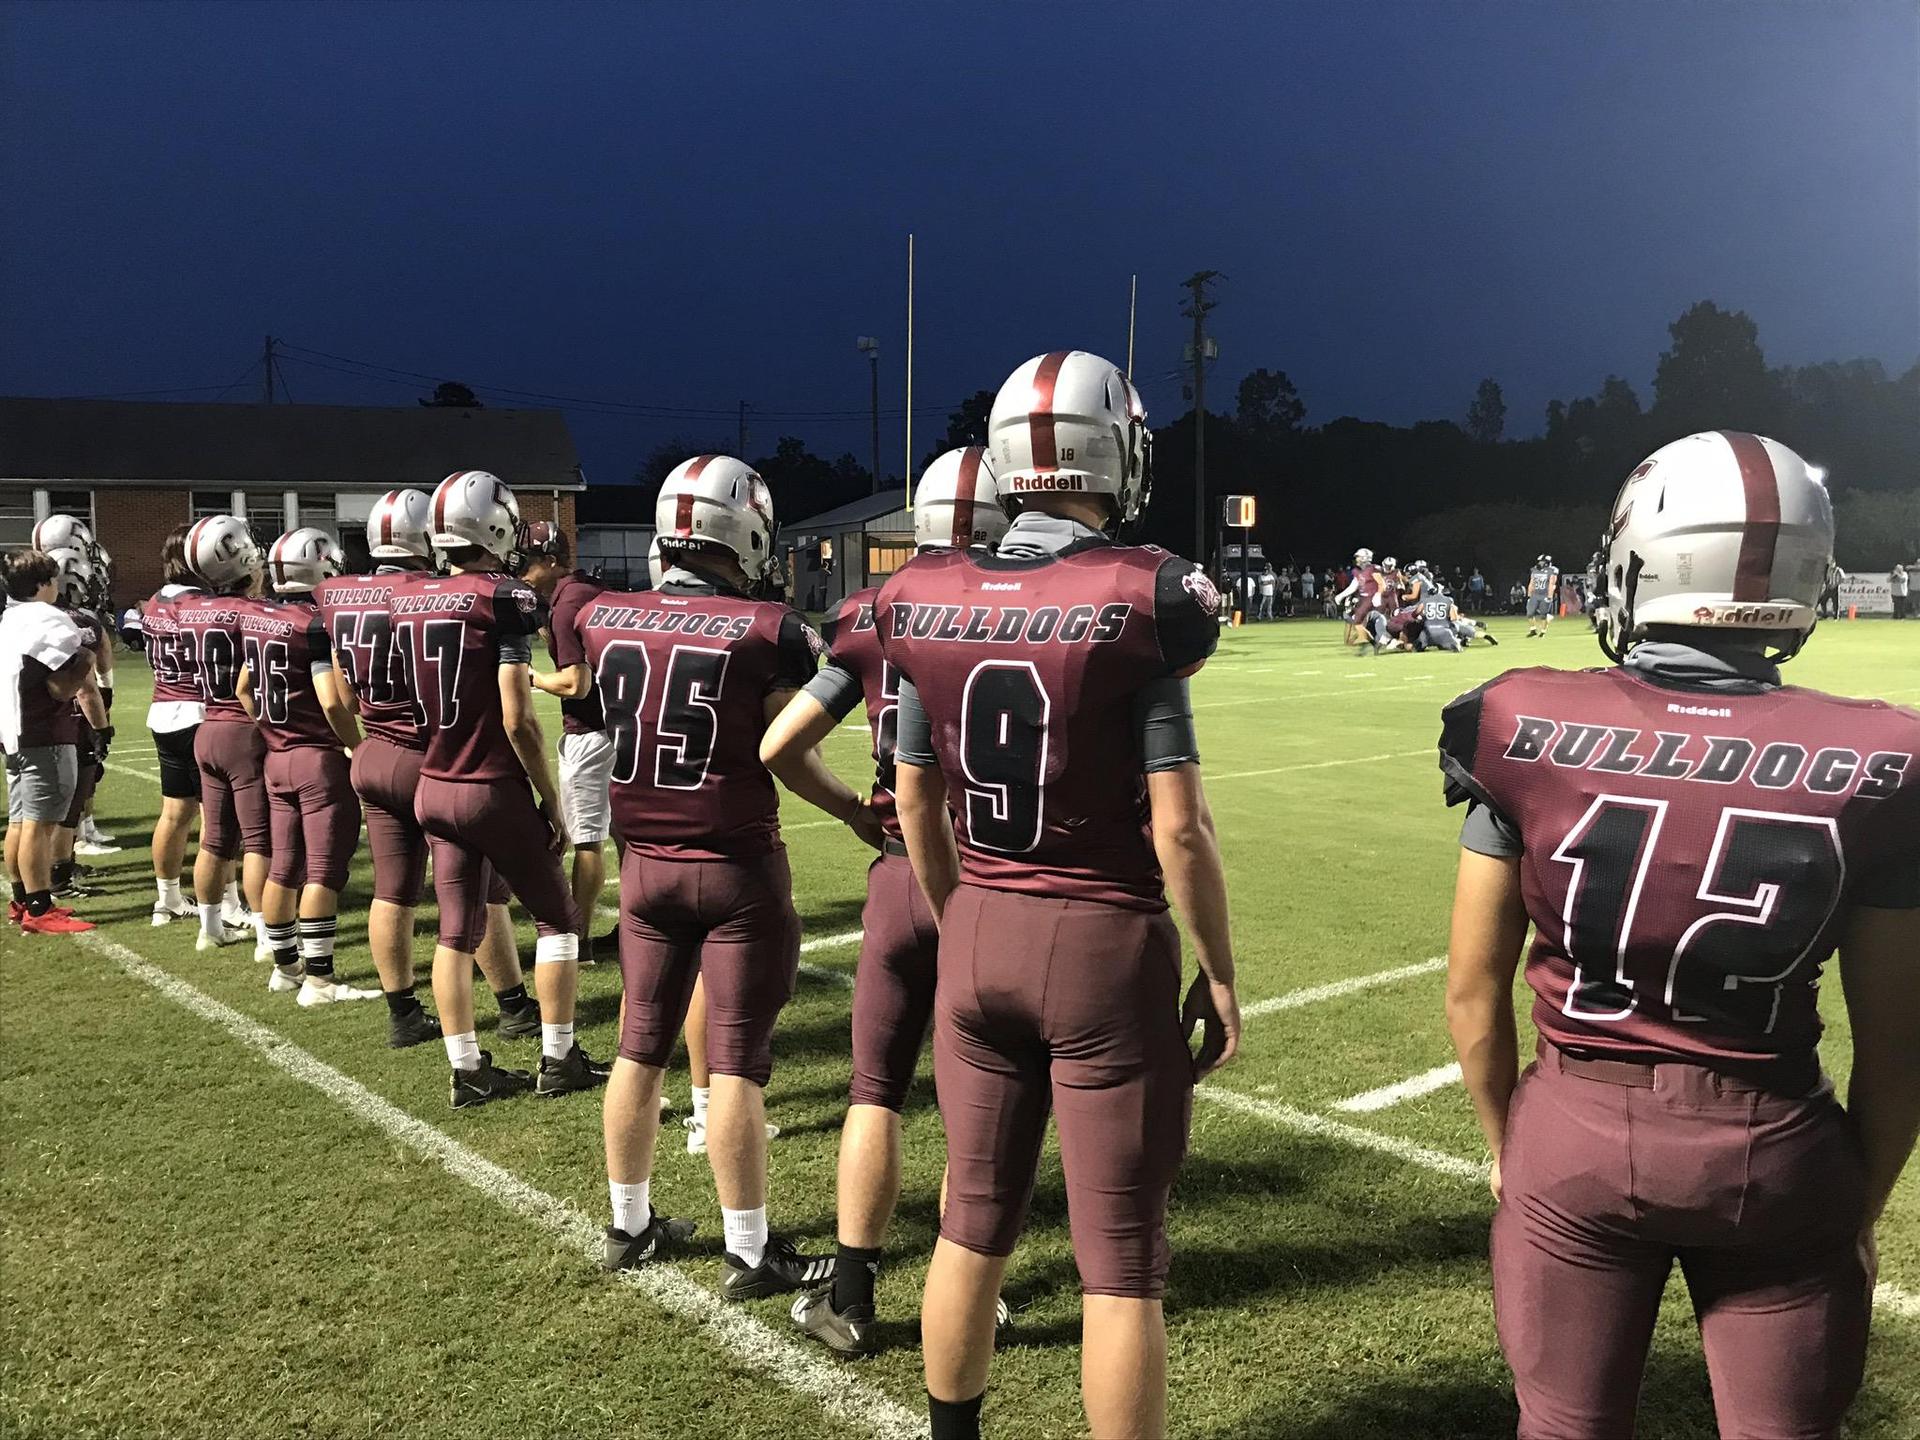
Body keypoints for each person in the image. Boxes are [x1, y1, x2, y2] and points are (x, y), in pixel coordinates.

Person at [1441, 430, 1920, 1440]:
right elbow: (1897, 1046)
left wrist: (1504, 1143)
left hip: (1574, 1134)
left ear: (1643, 562)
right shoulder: (1885, 756)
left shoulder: (1517, 718)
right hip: (1774, 1151)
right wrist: (1854, 1204)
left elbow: (1472, 995)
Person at [880, 351, 1240, 1440]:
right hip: (1101, 942)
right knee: (1120, 1263)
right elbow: (1177, 825)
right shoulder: (1144, 595)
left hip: (979, 920)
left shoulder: (920, 595)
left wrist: (961, 918)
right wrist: (1219, 971)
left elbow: (912, 800)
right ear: (1111, 452)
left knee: (973, 1221)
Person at [580, 453, 852, 1296]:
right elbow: (787, 750)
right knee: (734, 1064)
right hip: (734, 869)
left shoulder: (602, 617)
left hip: (645, 870)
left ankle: (629, 1225)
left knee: (638, 1045)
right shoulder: (768, 628)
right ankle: (747, 1249)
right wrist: (851, 808)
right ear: (748, 531)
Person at [763, 446, 1009, 1355]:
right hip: (992, 885)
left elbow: (781, 747)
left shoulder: (876, 612)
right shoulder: (1048, 605)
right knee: (976, 1106)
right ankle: (968, 1292)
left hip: (901, 876)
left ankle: (852, 1296)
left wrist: (854, 816)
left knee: (875, 1090)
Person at [396, 470, 604, 1108]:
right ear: (495, 525)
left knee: (453, 932)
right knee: (559, 919)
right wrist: (549, 797)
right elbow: (518, 718)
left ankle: (467, 1069)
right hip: (489, 786)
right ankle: (559, 1054)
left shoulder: (412, 597)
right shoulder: (505, 598)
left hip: (433, 782)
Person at [315, 489, 543, 1051]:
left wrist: (354, 745)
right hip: (435, 755)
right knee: (480, 891)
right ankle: (513, 1005)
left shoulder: (335, 593)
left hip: (374, 752)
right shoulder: (431, 593)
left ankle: (403, 1012)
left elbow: (336, 695)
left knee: (392, 890)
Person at [236, 528, 379, 1006]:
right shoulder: (314, 624)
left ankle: (285, 968)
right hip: (316, 760)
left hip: (276, 757)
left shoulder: (257, 616)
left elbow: (243, 689)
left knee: (285, 866)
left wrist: (275, 729)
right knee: (322, 871)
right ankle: (319, 980)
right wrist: (357, 747)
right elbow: (334, 703)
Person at [176, 516, 274, 956]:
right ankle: (269, 936)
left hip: (207, 726)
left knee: (214, 839)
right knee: (258, 841)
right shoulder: (255, 613)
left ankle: (209, 927)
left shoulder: (191, 610)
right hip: (243, 729)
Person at [521, 523, 617, 966]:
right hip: (624, 728)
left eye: (528, 563)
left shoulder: (565, 606)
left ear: (552, 561)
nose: (521, 573)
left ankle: (578, 938)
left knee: (587, 841)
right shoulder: (594, 590)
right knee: (628, 838)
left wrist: (535, 678)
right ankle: (635, 929)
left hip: (589, 732)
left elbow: (576, 684)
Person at [2, 549, 104, 933]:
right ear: (44, 584)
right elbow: (61, 689)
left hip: (14, 729)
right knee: (39, 825)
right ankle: (39, 907)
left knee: (19, 821)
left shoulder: (9, 618)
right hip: (45, 730)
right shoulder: (47, 619)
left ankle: (23, 898)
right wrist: (84, 661)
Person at [129, 525, 206, 926]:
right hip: (197, 711)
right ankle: (223, 903)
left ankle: (167, 899)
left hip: (163, 709)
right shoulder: (197, 603)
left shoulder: (157, 600)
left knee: (174, 813)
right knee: (217, 817)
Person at [1522, 554, 1559, 637]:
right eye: (1539, 561)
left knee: (1543, 615)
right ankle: (1533, 630)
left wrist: (1549, 596)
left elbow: (1551, 584)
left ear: (1547, 563)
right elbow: (1532, 582)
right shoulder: (1535, 570)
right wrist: (1529, 595)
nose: (1540, 563)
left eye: (1542, 562)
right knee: (1530, 613)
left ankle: (1543, 631)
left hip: (1544, 595)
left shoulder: (1551, 571)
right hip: (1535, 594)